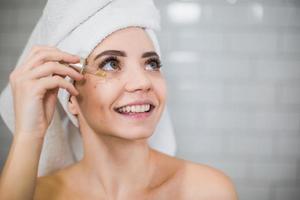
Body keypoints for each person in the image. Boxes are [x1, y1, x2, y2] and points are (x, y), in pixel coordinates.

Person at [0, 1, 238, 200]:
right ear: (70, 95)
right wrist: (29, 134)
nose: (142, 81)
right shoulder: (36, 195)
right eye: (111, 63)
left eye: (151, 63)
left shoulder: (208, 191)